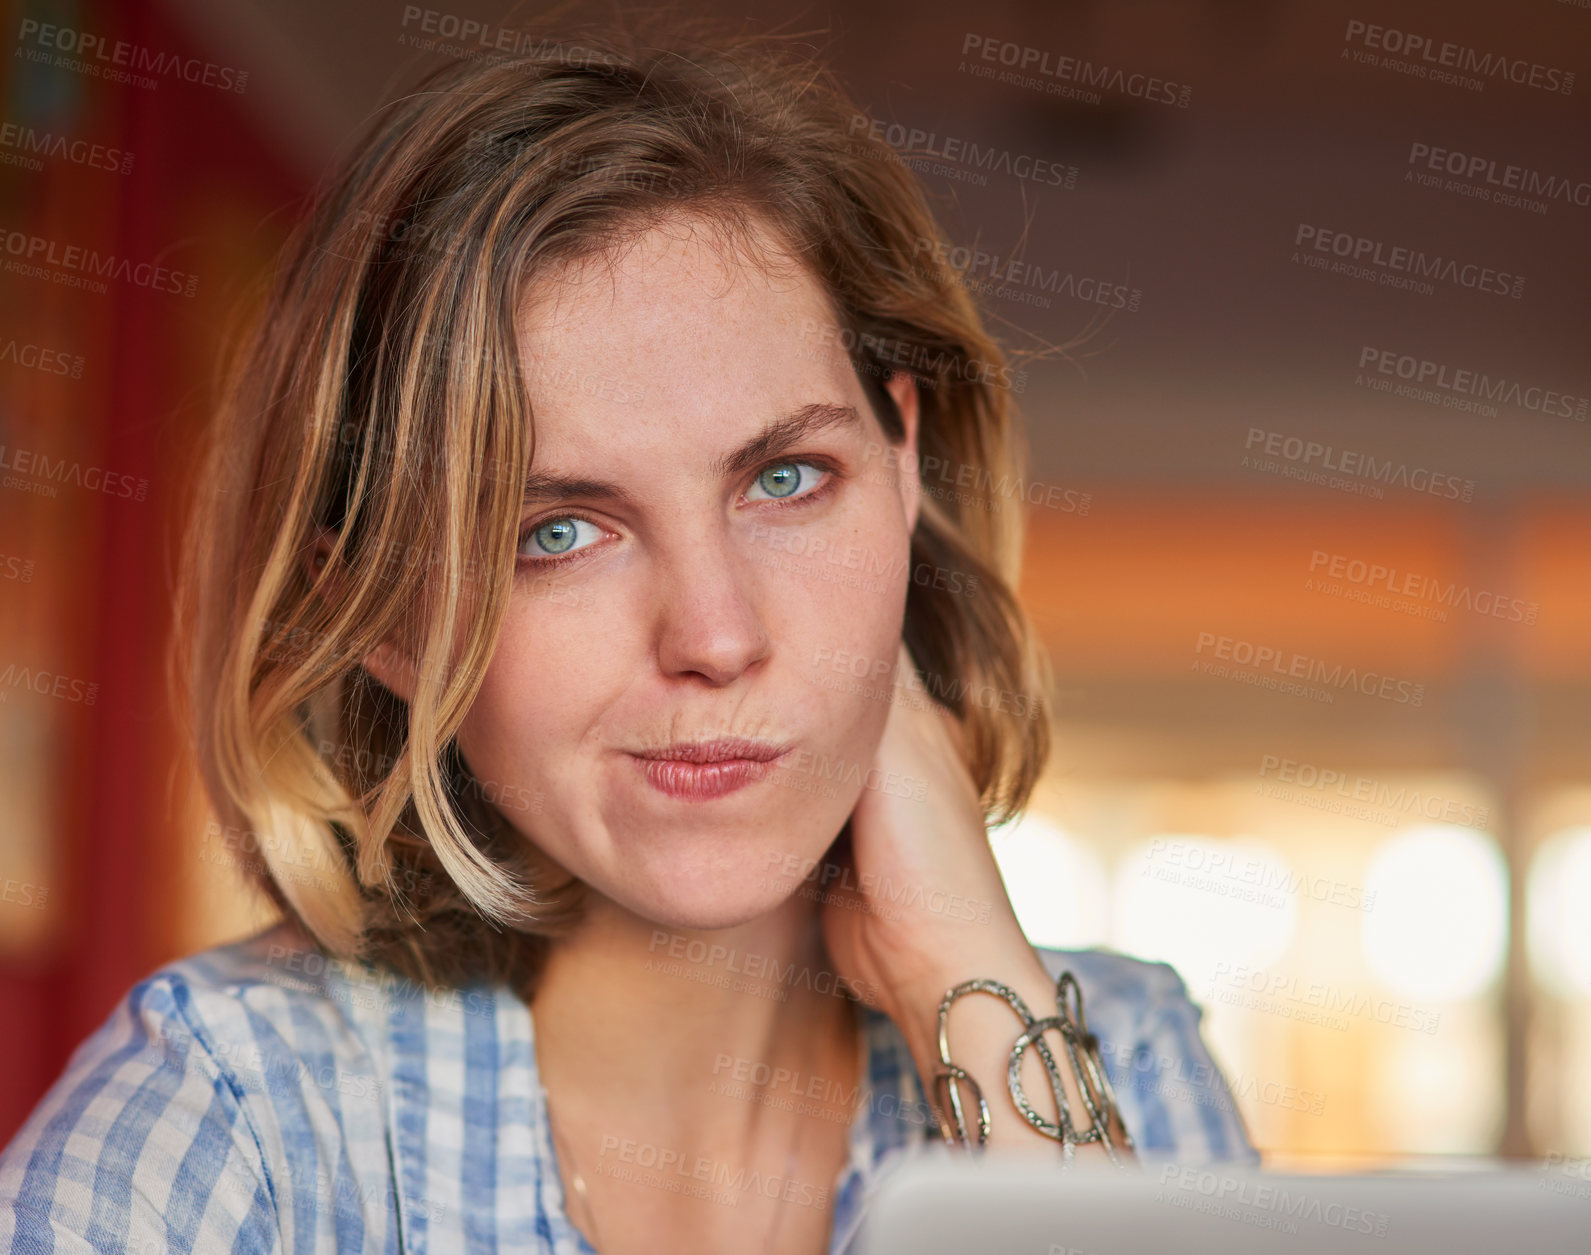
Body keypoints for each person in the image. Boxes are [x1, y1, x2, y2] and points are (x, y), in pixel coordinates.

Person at [0, 14, 1257, 1254]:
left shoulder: (1117, 1057)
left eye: (785, 479)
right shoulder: (236, 1117)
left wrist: (966, 980)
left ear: (903, 460)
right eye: (556, 532)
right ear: (374, 616)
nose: (715, 634)